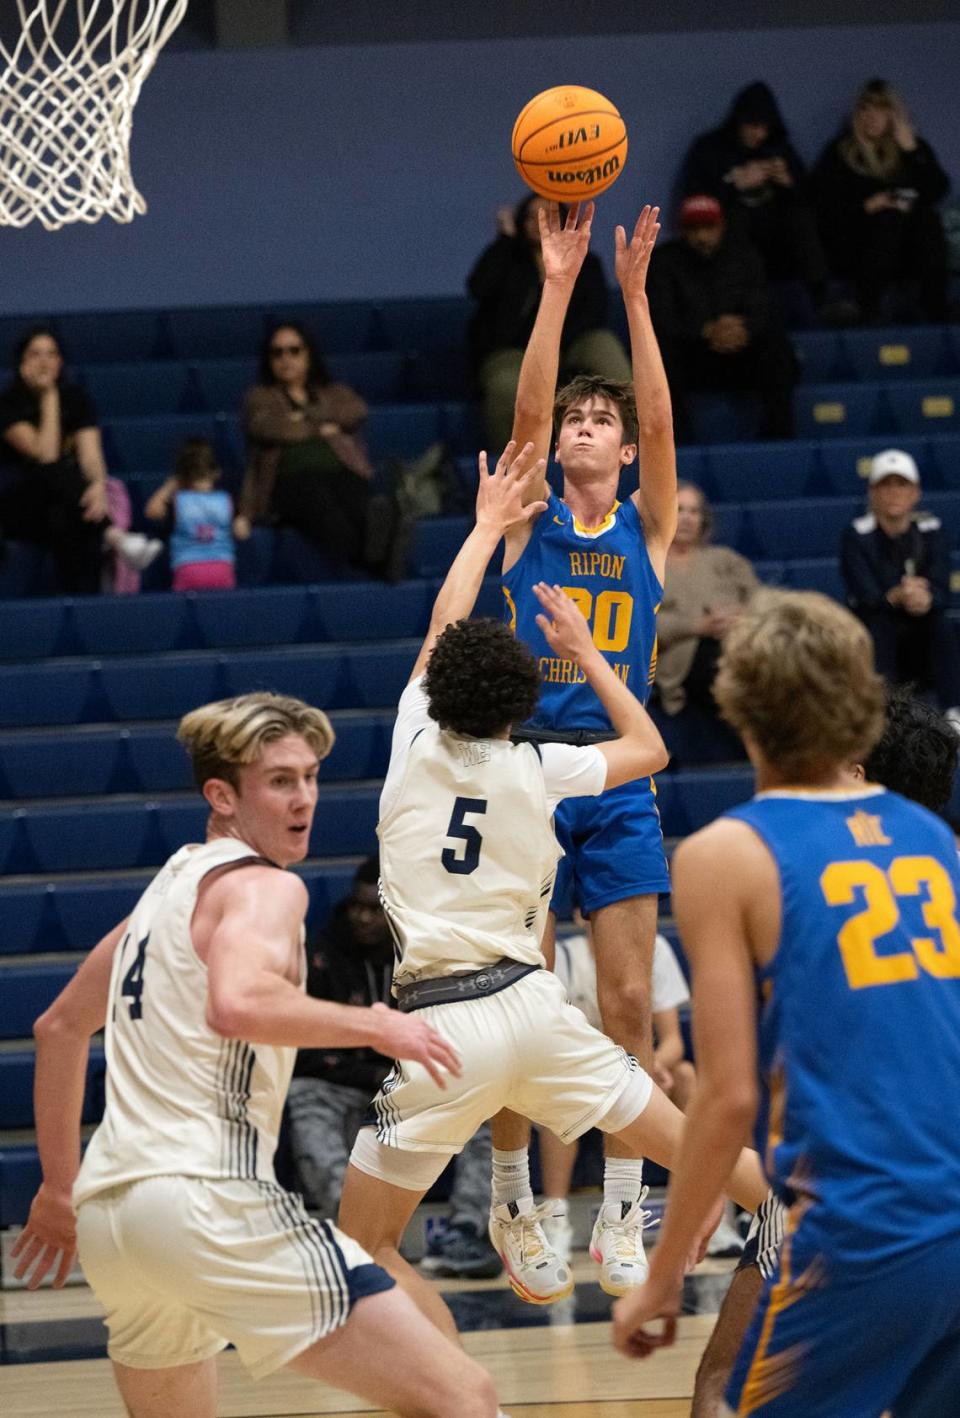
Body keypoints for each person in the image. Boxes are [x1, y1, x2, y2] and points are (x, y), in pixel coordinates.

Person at [335, 438, 767, 1342]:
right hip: (536, 1015)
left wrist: (488, 524)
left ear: (439, 690)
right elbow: (650, 750)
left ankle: (462, 1389)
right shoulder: (542, 764)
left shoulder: (410, 741)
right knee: (713, 1158)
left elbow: (442, 626)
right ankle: (798, 1236)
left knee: (365, 1248)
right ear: (517, 701)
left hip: (441, 1029)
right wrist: (591, 653)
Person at [11, 691, 502, 1418]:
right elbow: (237, 1003)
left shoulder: (165, 892)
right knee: (465, 1397)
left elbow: (56, 1028)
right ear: (222, 795)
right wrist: (376, 1025)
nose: (304, 797)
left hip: (115, 1221)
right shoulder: (266, 888)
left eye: (309, 777)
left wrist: (58, 1189)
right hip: (207, 1197)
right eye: (280, 780)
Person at [613, 590, 960, 1418]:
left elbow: (728, 1094)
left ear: (737, 706)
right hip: (947, 1214)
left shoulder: (724, 853)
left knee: (721, 1399)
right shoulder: (934, 842)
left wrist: (662, 1276)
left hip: (857, 1229)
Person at [490, 201, 675, 1302]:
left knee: (624, 1002)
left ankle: (621, 1203)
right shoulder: (528, 522)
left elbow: (659, 412)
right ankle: (515, 1190)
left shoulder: (649, 528)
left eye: (602, 418)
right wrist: (559, 286)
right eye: (579, 419)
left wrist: (639, 299)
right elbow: (526, 407)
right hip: (525, 769)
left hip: (616, 775)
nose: (589, 425)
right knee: (517, 994)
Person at [689, 680, 960, 1417]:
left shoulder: (781, 859)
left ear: (857, 773)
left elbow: (735, 1087)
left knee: (723, 1389)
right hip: (936, 1182)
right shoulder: (943, 859)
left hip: (848, 1184)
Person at [537, 922, 741, 1264]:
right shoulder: (567, 956)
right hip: (583, 1067)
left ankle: (703, 1215)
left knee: (687, 1076)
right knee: (558, 1090)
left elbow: (674, 1039)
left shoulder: (654, 947)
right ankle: (555, 1222)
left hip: (641, 1064)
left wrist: (651, 1066)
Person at [239, 320, 409, 581]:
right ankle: (378, 564)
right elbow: (268, 427)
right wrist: (322, 426)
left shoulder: (332, 391)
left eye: (294, 350)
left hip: (339, 470)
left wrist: (300, 421)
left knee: (364, 501)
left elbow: (355, 411)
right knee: (322, 506)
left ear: (308, 355)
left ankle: (380, 552)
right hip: (288, 480)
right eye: (277, 352)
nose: (286, 358)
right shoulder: (260, 396)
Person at [0, 326, 162, 593]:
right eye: (35, 354)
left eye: (51, 354)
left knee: (69, 519)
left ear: (60, 362)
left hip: (65, 503)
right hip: (20, 505)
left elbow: (91, 456)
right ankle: (115, 536)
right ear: (22, 362)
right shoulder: (8, 404)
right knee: (55, 474)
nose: (44, 362)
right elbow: (46, 456)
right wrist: (49, 396)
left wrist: (97, 486)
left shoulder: (76, 399)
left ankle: (83, 608)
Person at [466, 194, 631, 452]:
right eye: (531, 216)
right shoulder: (507, 259)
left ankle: (628, 445)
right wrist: (505, 241)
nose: (538, 222)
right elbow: (477, 287)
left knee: (604, 347)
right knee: (504, 386)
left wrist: (554, 349)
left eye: (547, 215)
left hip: (571, 345)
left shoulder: (587, 263)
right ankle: (512, 465)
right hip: (514, 351)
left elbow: (594, 314)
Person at [648, 195, 796, 442]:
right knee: (661, 356)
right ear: (682, 230)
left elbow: (762, 306)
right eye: (694, 229)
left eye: (708, 227)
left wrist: (744, 329)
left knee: (778, 351)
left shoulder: (745, 256)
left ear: (721, 226)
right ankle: (678, 445)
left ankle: (777, 439)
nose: (702, 236)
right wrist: (705, 330)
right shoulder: (665, 261)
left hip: (741, 353)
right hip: (694, 358)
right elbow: (661, 316)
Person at [812, 78, 950, 323]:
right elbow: (822, 206)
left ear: (894, 114)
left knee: (925, 219)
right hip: (857, 244)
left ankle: (936, 307)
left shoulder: (912, 149)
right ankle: (868, 306)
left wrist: (912, 152)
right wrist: (867, 206)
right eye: (865, 109)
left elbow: (937, 190)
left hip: (906, 250)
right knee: (889, 218)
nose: (871, 116)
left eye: (881, 109)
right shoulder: (841, 152)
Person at [681, 81, 827, 307]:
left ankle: (822, 302)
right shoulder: (711, 148)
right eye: (752, 125)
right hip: (732, 236)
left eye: (764, 127)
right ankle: (739, 307)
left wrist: (788, 182)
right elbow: (694, 198)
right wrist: (734, 182)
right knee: (738, 219)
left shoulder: (780, 149)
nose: (758, 133)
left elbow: (812, 198)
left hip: (778, 240)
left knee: (800, 219)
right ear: (739, 122)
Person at [841, 447, 960, 721]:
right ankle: (884, 713)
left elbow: (942, 587)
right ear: (872, 492)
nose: (894, 492)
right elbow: (863, 593)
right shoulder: (856, 535)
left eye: (902, 484)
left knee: (943, 621)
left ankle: (954, 709)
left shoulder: (934, 530)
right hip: (880, 624)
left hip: (923, 623)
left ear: (915, 492)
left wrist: (925, 598)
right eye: (886, 485)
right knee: (877, 625)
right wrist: (895, 597)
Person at [656, 481, 758, 722]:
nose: (687, 518)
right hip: (682, 659)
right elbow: (637, 624)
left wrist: (743, 615)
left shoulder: (724, 559)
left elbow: (762, 601)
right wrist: (697, 626)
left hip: (738, 645)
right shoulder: (646, 563)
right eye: (679, 509)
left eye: (694, 511)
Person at [145, 436, 246, 591]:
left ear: (181, 475)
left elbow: (151, 511)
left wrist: (169, 486)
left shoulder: (178, 503)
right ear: (216, 472)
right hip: (222, 568)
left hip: (187, 568)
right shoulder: (228, 501)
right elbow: (242, 532)